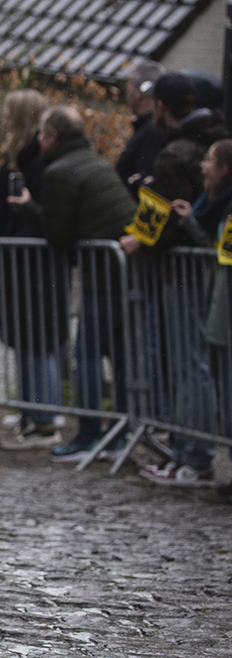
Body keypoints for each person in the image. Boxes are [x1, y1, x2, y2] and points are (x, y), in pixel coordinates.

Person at [13, 105, 138, 460]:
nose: (38, 139)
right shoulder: (94, 160)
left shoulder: (60, 170)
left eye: (41, 133)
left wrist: (28, 207)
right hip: (123, 271)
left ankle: (88, 434)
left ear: (52, 137)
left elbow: (58, 233)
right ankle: (118, 435)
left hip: (104, 274)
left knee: (87, 355)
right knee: (119, 356)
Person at [126, 72, 229, 485]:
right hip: (203, 271)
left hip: (181, 272)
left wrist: (139, 237)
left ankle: (194, 454)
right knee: (195, 364)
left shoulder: (179, 149)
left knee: (189, 365)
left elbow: (163, 213)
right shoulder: (214, 139)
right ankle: (190, 451)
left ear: (163, 107)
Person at [0, 90, 68, 450]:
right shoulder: (22, 158)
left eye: (9, 115)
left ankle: (44, 418)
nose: (3, 121)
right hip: (23, 265)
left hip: (36, 266)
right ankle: (31, 409)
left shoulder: (38, 161)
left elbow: (43, 214)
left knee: (39, 342)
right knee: (27, 341)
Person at [116, 60, 166, 196]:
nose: (127, 90)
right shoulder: (147, 127)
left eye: (130, 84)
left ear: (140, 92)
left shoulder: (152, 131)